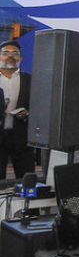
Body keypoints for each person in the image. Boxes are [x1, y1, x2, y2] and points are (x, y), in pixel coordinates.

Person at [0, 40, 35, 179]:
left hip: (22, 135)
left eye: (15, 53)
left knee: (26, 179)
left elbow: (39, 104)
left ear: (21, 59)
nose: (10, 56)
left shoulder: (30, 80)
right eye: (5, 53)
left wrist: (29, 113)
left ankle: (27, 200)